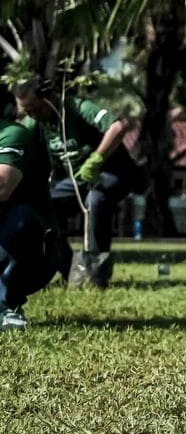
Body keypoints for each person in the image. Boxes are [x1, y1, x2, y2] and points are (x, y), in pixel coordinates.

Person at [14, 80, 142, 288]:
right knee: (39, 207)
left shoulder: (78, 107)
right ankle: (69, 267)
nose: (33, 115)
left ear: (50, 98)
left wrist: (97, 158)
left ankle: (94, 272)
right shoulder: (34, 123)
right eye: (28, 112)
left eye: (36, 109)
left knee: (96, 199)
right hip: (75, 179)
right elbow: (17, 143)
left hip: (111, 173)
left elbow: (118, 127)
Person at [0, 86, 67, 330]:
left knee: (21, 219)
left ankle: (6, 305)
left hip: (32, 247)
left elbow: (2, 186)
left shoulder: (12, 133)